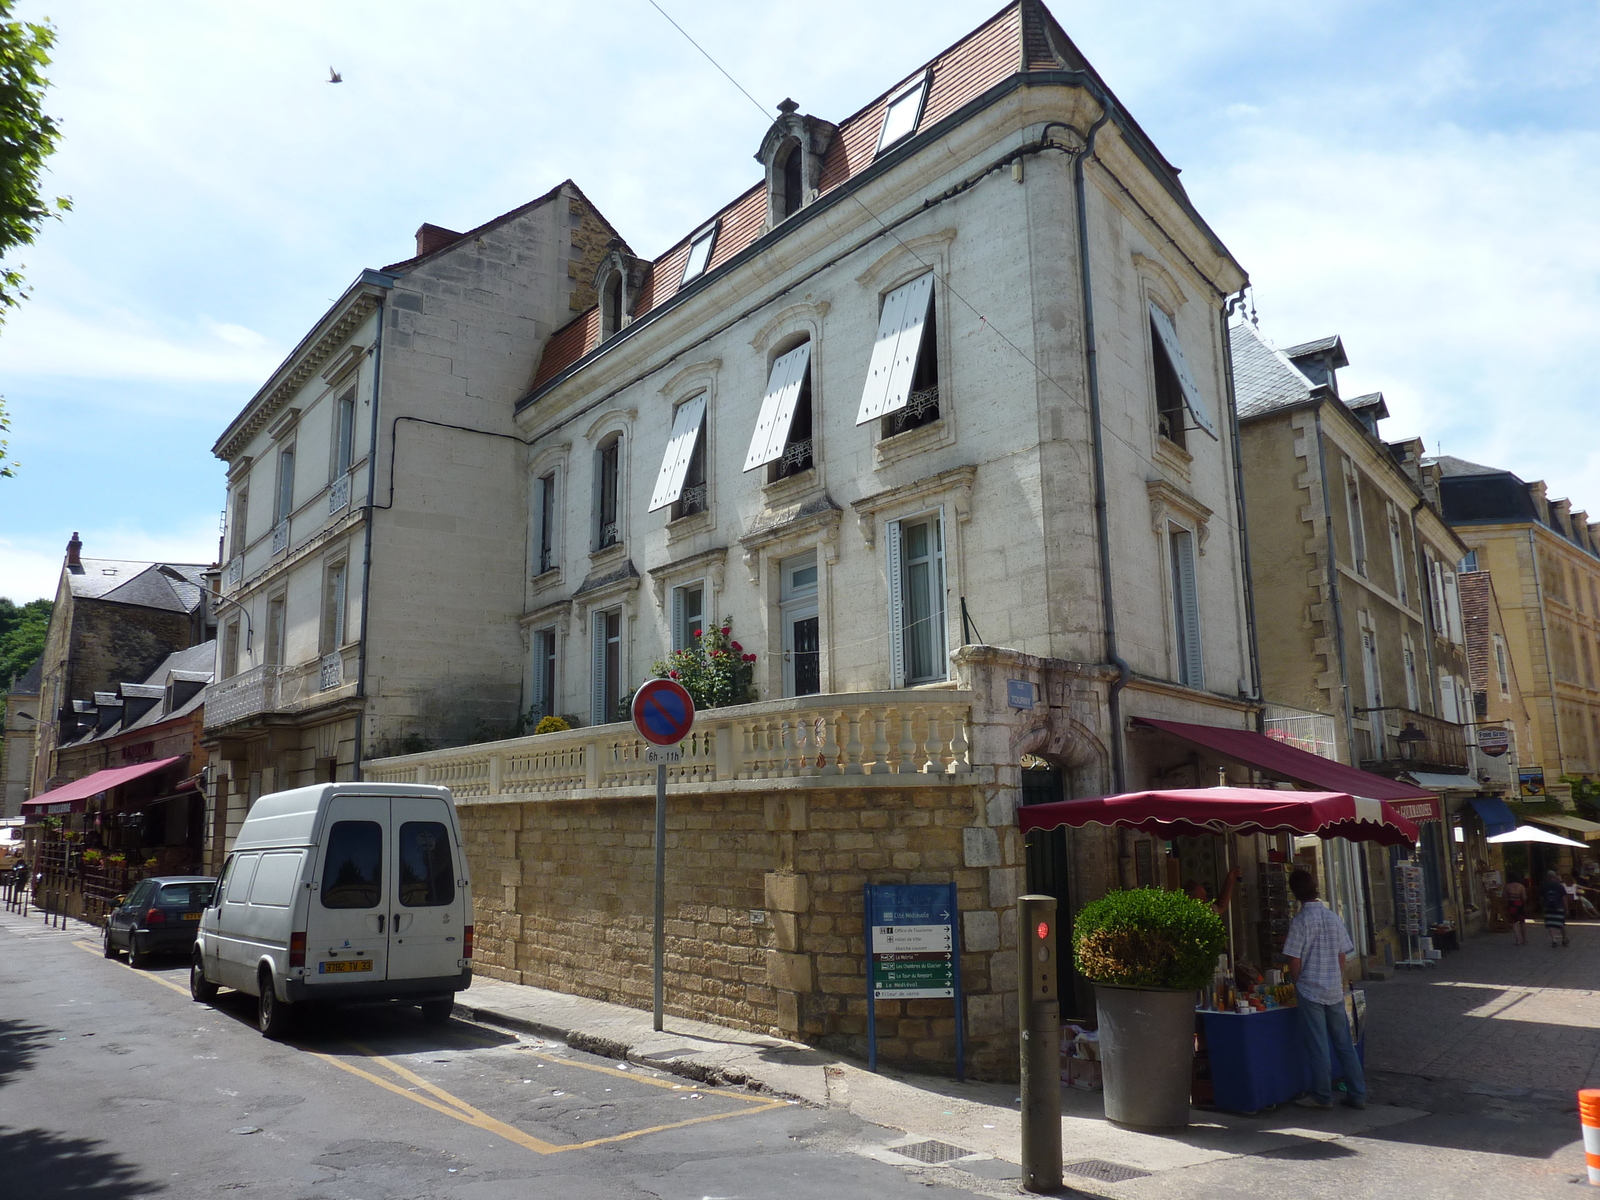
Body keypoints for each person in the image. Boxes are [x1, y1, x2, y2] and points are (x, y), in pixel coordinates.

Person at [1283, 868, 1366, 1110]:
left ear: (1296, 893)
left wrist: (1298, 981)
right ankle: (1358, 1093)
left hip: (1310, 988)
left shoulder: (1300, 922)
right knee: (1344, 1043)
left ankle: (1322, 1095)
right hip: (1332, 988)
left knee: (1318, 1045)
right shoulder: (1333, 918)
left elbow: (1293, 959)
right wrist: (1337, 977)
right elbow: (1342, 954)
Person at [1540, 869, 1570, 947]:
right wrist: (1566, 909)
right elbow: (1564, 898)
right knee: (1561, 923)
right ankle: (1564, 939)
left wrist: (1543, 906)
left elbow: (1541, 898)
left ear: (1547, 877)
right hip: (1559, 906)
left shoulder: (1544, 885)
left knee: (1550, 923)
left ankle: (1554, 940)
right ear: (1555, 876)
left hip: (1548, 906)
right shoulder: (1559, 886)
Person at [1504, 874, 1528, 944]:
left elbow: (1504, 897)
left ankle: (1518, 940)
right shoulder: (1521, 886)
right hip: (1520, 904)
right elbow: (1524, 897)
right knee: (1522, 922)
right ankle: (1524, 939)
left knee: (1514, 922)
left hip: (1512, 905)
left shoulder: (1507, 886)